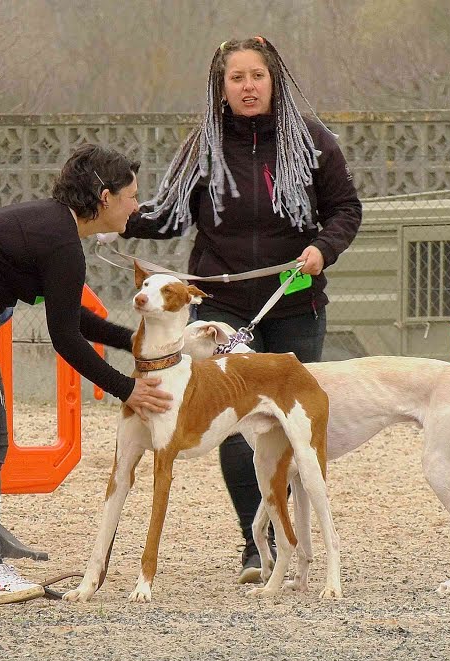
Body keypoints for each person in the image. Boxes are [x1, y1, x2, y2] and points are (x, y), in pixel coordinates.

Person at [122, 36, 362, 583]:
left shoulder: (314, 143)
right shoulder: (201, 148)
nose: (248, 86)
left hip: (295, 302)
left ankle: (298, 544)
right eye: (237, 78)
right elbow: (167, 217)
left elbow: (346, 208)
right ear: (221, 87)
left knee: (293, 431)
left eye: (257, 76)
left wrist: (322, 250)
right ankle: (256, 546)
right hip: (223, 308)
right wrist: (112, 216)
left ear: (274, 81)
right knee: (234, 424)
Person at [0, 144, 174, 605]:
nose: (137, 206)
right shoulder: (61, 240)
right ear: (104, 197)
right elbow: (65, 339)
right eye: (131, 196)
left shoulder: (54, 227)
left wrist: (134, 342)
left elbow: (73, 317)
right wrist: (128, 388)